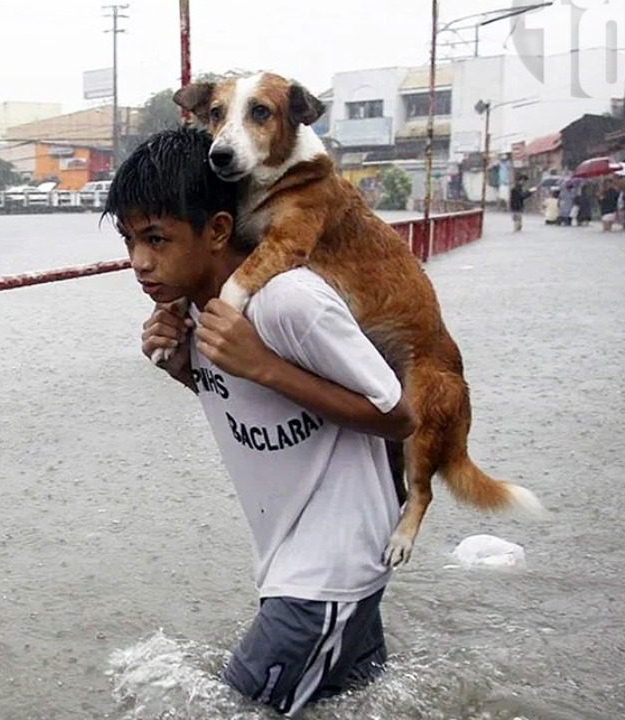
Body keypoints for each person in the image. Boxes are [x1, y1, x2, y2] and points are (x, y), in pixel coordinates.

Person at [103, 127, 416, 716]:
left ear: (218, 229)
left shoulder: (289, 300)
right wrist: (181, 368)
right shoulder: (196, 308)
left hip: (325, 573)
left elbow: (397, 414)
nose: (140, 262)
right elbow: (254, 407)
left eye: (156, 238)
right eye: (129, 240)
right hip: (302, 562)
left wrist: (264, 365)